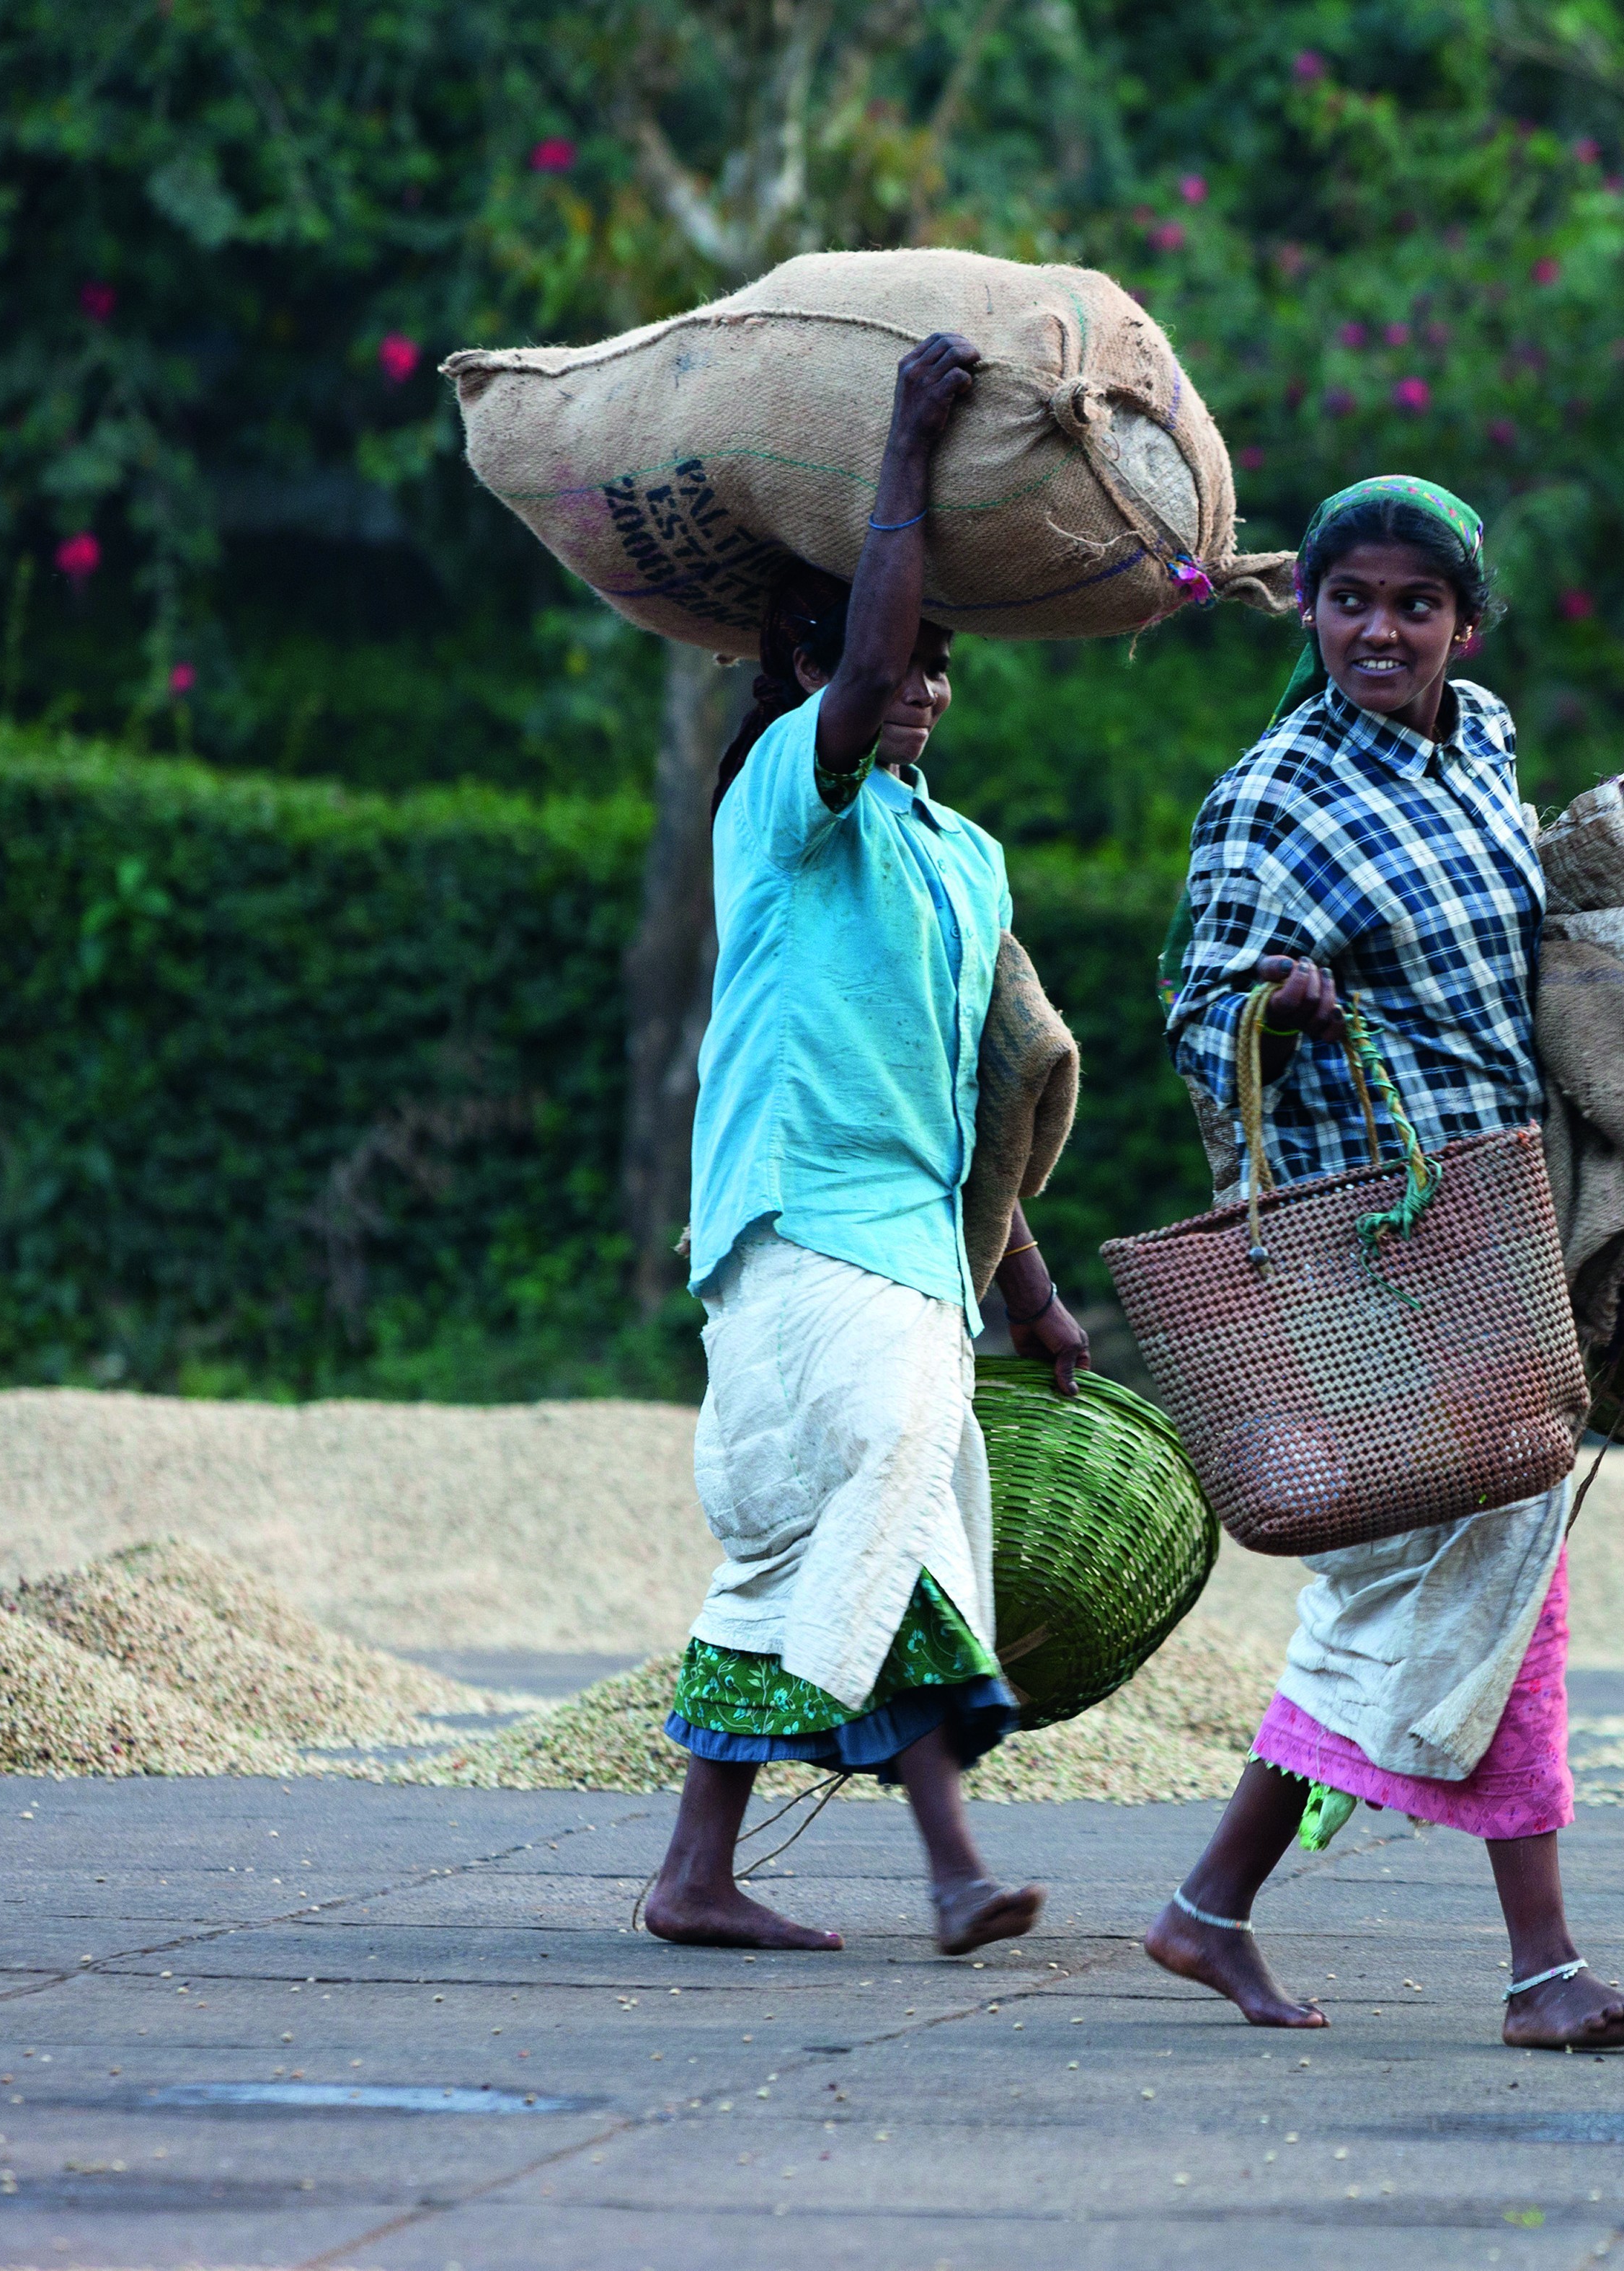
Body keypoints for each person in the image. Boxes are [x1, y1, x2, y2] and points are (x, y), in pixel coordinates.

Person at [1142, 474, 1624, 2053]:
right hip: (1376, 1242)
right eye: (1348, 601)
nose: (1378, 630)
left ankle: (1223, 1910)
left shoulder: (1491, 743)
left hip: (1500, 1218)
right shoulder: (1277, 791)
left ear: (1464, 623)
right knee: (1459, 1568)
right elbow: (1199, 1011)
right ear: (1308, 613)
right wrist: (1279, 1005)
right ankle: (1524, 1971)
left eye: (1413, 604)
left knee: (1483, 1575)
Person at [639, 331, 1095, 1957]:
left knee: (840, 1538)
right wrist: (903, 449)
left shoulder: (961, 861)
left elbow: (973, 1112)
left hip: (916, 1251)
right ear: (817, 674)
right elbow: (855, 664)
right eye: (888, 658)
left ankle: (705, 1873)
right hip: (795, 1232)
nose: (922, 681)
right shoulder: (781, 792)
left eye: (938, 665)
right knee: (887, 1484)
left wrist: (1030, 1293)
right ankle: (954, 1867)